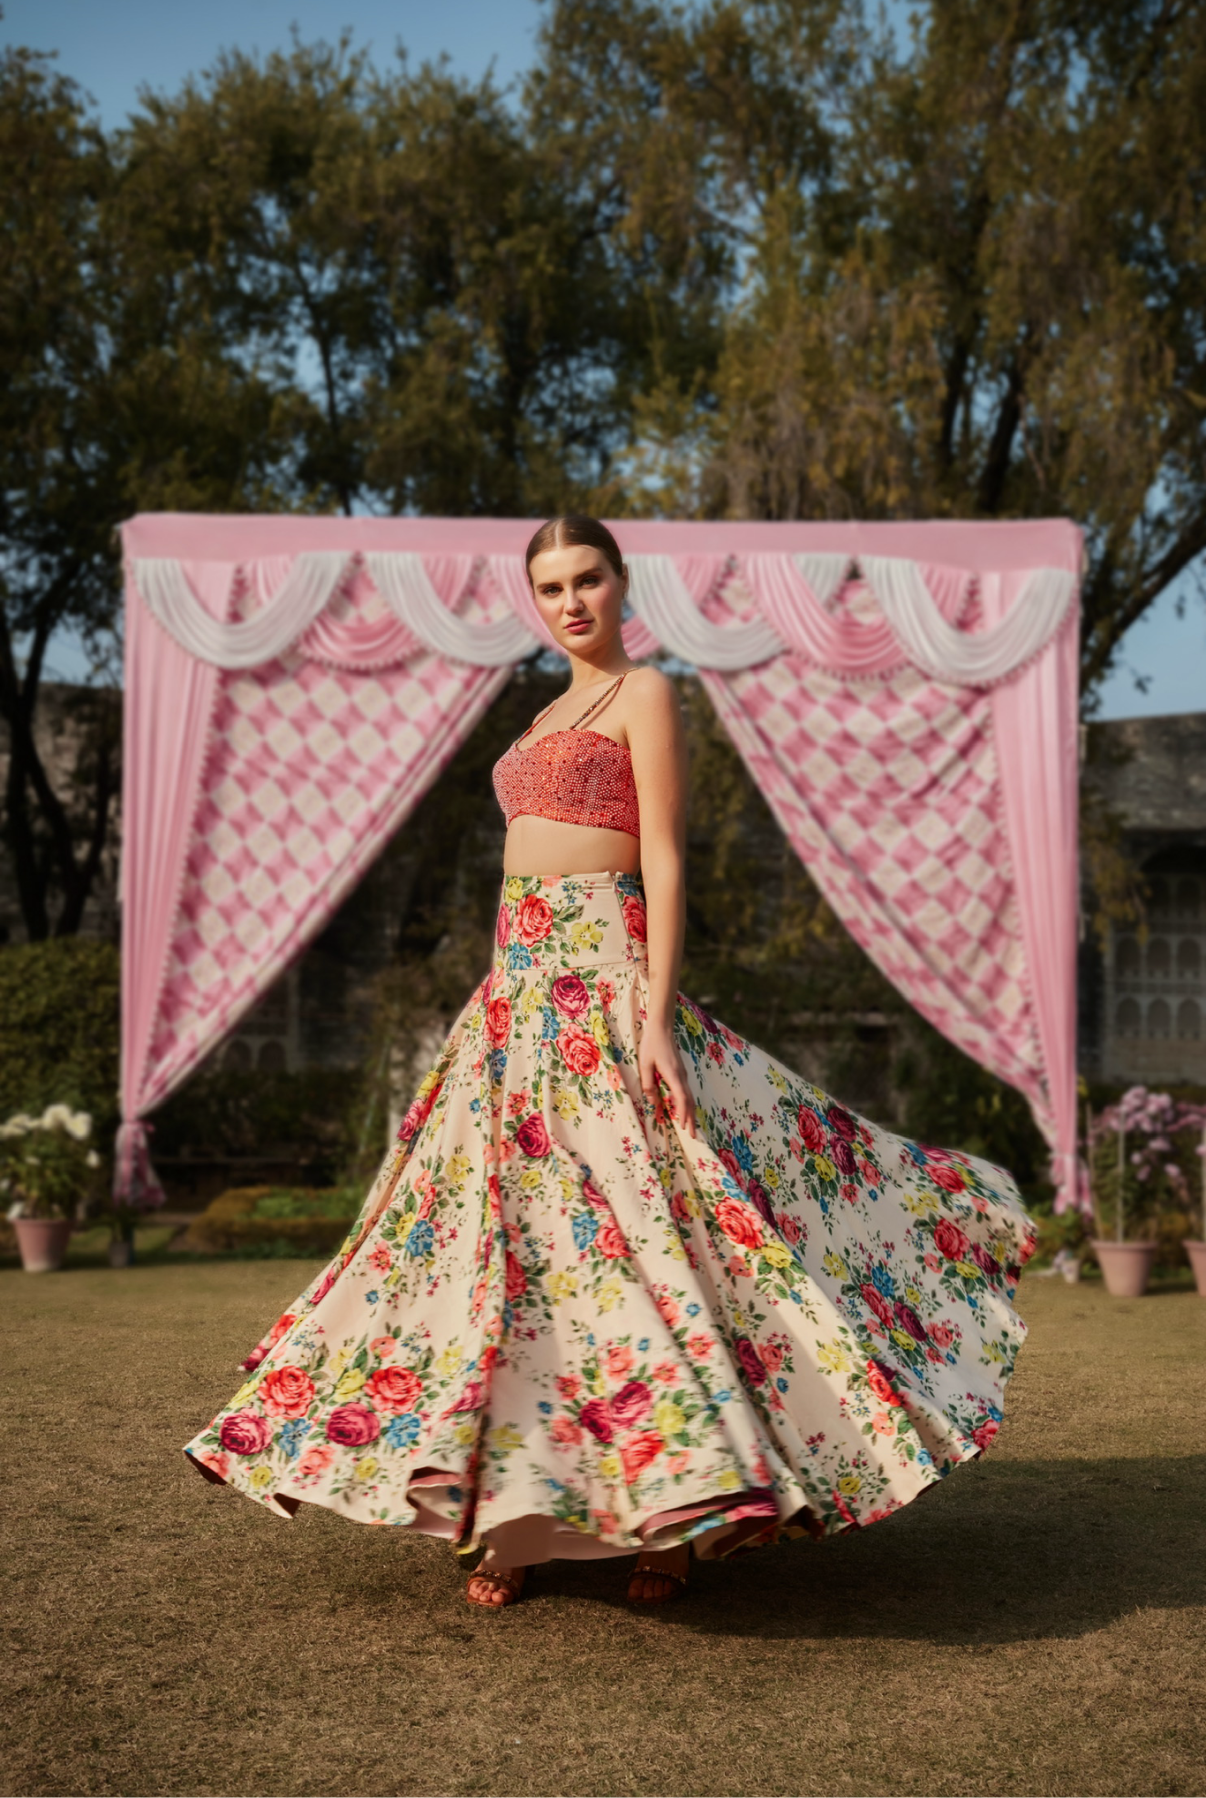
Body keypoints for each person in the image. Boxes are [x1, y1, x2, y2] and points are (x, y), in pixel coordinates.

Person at [185, 515, 1035, 1609]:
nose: (571, 599)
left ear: (622, 583)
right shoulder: (541, 712)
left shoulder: (648, 694)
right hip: (518, 993)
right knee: (517, 1258)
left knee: (643, 1243)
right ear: (534, 602)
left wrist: (653, 1016)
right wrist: (500, 1000)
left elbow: (667, 859)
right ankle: (524, 1519)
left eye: (588, 577)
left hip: (606, 975)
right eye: (550, 586)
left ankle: (673, 1516)